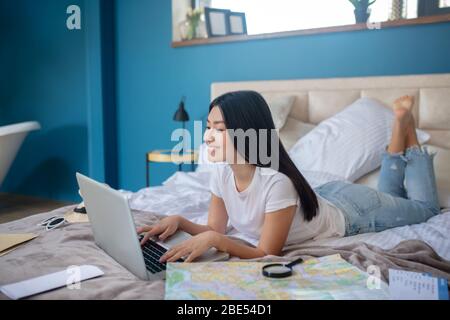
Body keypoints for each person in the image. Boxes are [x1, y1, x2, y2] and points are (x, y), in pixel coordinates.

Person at [137, 91, 440, 263]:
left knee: (425, 211)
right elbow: (214, 227)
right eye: (208, 127)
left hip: (355, 211)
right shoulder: (221, 174)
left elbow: (267, 252)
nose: (208, 137)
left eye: (219, 128)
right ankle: (401, 129)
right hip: (328, 195)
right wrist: (180, 220)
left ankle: (405, 127)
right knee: (397, 199)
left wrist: (218, 240)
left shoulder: (276, 183)